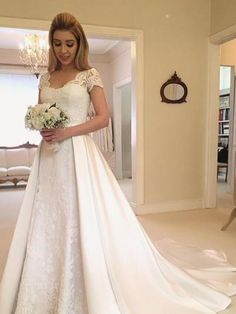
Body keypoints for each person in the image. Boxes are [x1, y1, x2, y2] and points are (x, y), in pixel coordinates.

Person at [0, 12, 236, 314]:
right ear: (51, 44)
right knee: (47, 216)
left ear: (79, 43)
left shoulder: (90, 75)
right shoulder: (45, 78)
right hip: (48, 157)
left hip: (77, 152)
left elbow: (102, 118)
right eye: (57, 43)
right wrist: (42, 126)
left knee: (83, 213)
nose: (63, 50)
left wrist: (66, 131)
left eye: (69, 43)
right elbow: (43, 109)